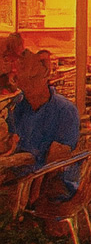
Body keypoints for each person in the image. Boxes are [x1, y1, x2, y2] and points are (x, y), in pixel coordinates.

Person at [4, 49, 80, 200]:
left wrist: (30, 196)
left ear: (45, 78)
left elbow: (55, 164)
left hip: (53, 183)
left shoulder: (65, 110)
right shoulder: (16, 108)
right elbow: (9, 147)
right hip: (20, 180)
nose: (29, 89)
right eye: (24, 84)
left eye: (33, 80)